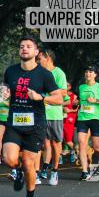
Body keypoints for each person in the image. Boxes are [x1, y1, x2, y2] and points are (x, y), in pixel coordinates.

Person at [2, 36, 61, 197]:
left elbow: (59, 98)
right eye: (21, 47)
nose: (24, 49)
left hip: (35, 124)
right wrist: (4, 94)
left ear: (36, 52)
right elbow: (6, 90)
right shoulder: (11, 71)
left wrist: (40, 97)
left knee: (29, 162)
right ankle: (18, 170)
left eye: (28, 46)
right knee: (9, 158)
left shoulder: (44, 74)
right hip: (14, 121)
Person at [35, 49, 67, 186]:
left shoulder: (58, 73)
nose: (37, 61)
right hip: (40, 113)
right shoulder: (38, 72)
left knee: (55, 143)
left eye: (40, 58)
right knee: (42, 144)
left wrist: (47, 94)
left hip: (54, 114)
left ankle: (54, 171)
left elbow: (64, 92)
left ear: (47, 58)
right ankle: (38, 172)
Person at [76, 66, 99, 180]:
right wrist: (77, 102)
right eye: (86, 71)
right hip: (82, 118)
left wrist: (95, 101)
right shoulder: (81, 87)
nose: (88, 73)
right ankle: (85, 171)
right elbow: (80, 101)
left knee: (96, 146)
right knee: (81, 143)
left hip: (95, 118)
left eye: (90, 72)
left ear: (95, 75)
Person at [62, 82, 79, 164]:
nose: (65, 86)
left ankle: (77, 153)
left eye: (67, 85)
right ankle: (59, 157)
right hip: (60, 118)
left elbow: (77, 109)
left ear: (70, 86)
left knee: (68, 140)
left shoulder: (74, 96)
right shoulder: (60, 94)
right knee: (58, 139)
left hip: (70, 119)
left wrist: (70, 110)